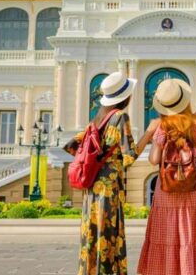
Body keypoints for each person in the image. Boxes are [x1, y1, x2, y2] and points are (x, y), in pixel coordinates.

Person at [63, 72, 149, 275]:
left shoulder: (96, 120)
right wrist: (149, 133)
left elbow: (71, 146)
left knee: (91, 233)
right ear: (125, 97)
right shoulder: (120, 117)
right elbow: (130, 156)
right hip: (109, 189)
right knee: (108, 232)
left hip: (91, 187)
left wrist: (96, 160)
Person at [138, 79, 196, 275]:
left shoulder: (163, 126)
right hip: (195, 191)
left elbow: (154, 159)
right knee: (191, 236)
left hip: (167, 191)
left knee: (167, 236)